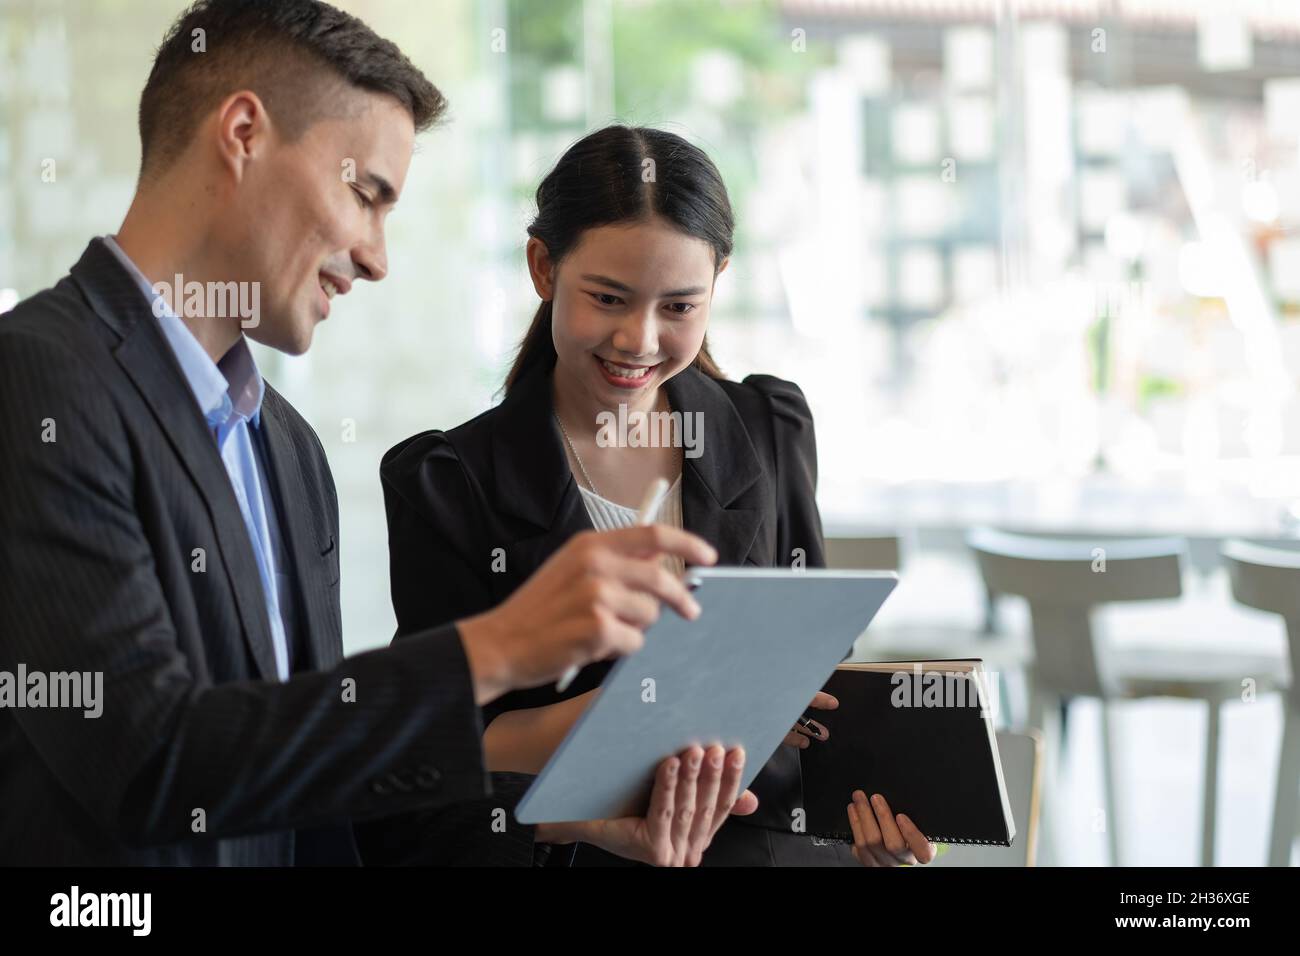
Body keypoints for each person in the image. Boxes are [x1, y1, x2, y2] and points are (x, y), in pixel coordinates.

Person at [0, 0, 754, 867]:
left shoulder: (289, 451)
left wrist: (561, 815)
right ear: (243, 132)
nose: (375, 256)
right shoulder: (36, 379)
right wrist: (496, 649)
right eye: (365, 194)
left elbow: (313, 794)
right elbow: (144, 761)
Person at [360, 126, 937, 867]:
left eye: (679, 307)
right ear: (543, 267)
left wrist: (865, 822)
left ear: (718, 283)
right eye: (608, 298)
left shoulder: (769, 428)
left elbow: (821, 687)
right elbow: (445, 745)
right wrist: (647, 713)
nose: (638, 339)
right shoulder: (447, 481)